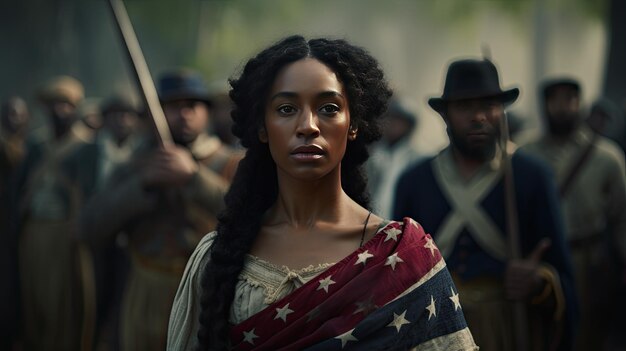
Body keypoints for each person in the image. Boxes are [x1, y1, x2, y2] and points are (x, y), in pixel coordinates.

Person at [167, 35, 477, 351]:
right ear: (262, 127)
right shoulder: (217, 257)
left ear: (353, 123)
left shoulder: (403, 256)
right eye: (286, 109)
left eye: (328, 108)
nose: (308, 126)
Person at [394, 59, 577, 351]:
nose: (479, 116)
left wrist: (539, 282)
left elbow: (562, 275)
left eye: (489, 105)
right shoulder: (414, 181)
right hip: (435, 328)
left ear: (501, 111)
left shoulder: (532, 176)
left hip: (505, 327)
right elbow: (397, 273)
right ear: (445, 115)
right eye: (465, 107)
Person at [79, 70, 240, 351]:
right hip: (142, 292)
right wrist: (141, 186)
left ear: (206, 112)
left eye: (193, 105)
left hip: (205, 293)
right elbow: (89, 228)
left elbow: (250, 219)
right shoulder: (135, 166)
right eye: (173, 106)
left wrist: (193, 178)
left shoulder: (231, 164)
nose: (185, 114)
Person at [521, 78, 626, 350]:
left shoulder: (607, 157)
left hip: (590, 260)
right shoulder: (524, 154)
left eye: (570, 99)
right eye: (555, 100)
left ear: (580, 104)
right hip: (543, 260)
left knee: (587, 333)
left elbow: (621, 218)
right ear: (545, 105)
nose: (562, 107)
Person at [15, 75, 92, 350]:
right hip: (34, 230)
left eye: (66, 104)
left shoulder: (86, 146)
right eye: (54, 104)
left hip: (64, 233)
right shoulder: (36, 144)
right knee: (32, 295)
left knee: (60, 299)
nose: (60, 110)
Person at [63, 95, 145, 350]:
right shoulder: (86, 152)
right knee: (91, 304)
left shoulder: (143, 152)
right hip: (97, 239)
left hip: (130, 245)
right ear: (105, 119)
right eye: (115, 114)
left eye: (128, 114)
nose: (122, 120)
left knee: (124, 308)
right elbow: (68, 183)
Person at [0, 96, 30, 351]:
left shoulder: (30, 148)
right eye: (10, 113)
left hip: (21, 231)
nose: (15, 119)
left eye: (19, 114)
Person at [367, 99, 424, 219]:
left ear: (408, 125)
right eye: (388, 119)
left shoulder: (416, 160)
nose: (392, 125)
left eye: (398, 121)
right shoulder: (369, 155)